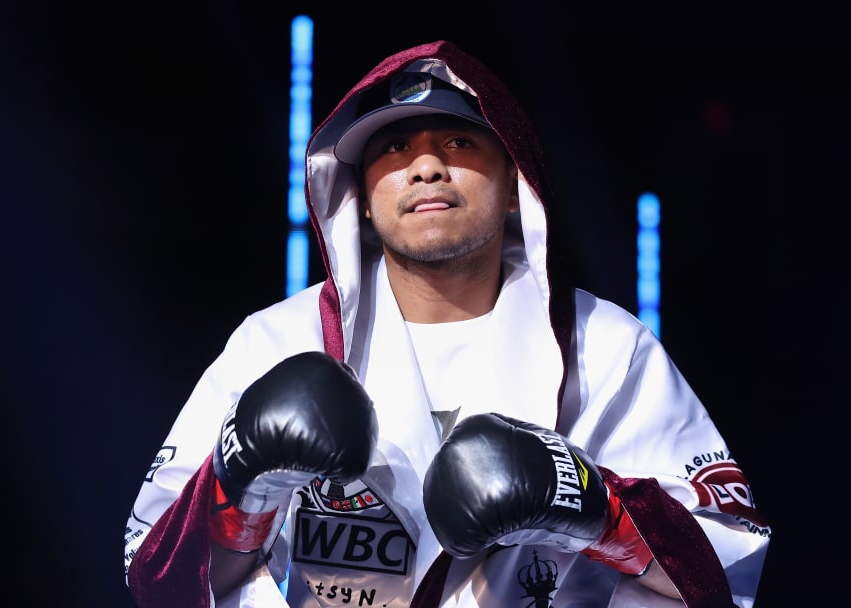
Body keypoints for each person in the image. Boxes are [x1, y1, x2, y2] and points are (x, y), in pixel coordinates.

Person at [123, 40, 770, 607]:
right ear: (362, 199)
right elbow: (163, 579)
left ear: (515, 181)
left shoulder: (604, 344)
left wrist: (596, 510)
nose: (426, 165)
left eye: (458, 141)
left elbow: (722, 571)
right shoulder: (275, 343)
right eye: (395, 146)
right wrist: (246, 483)